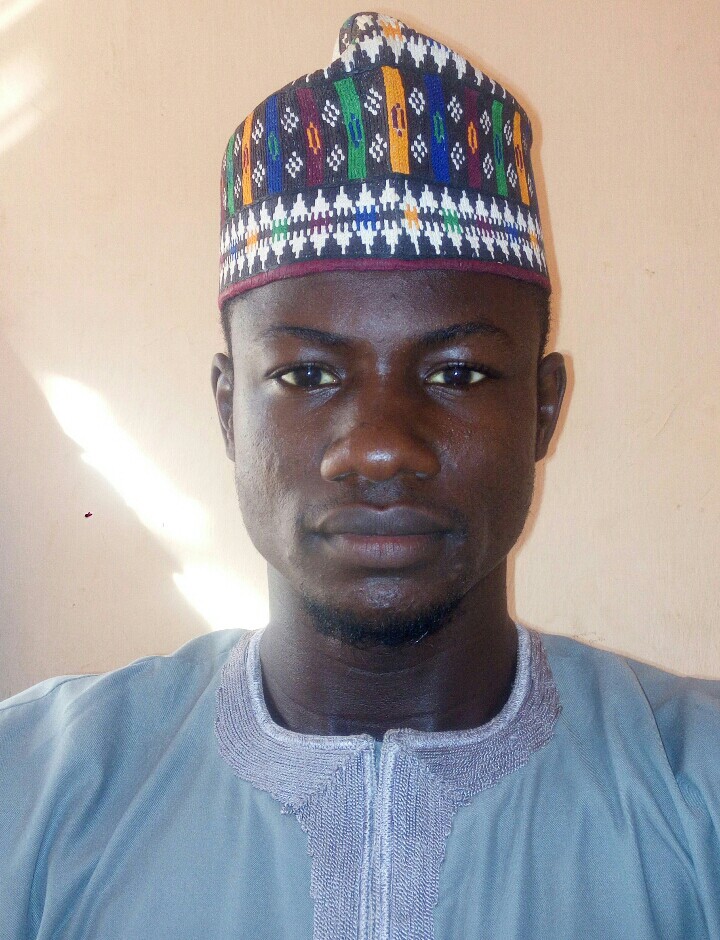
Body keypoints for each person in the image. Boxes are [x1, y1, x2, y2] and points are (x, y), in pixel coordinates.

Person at [1, 11, 718, 939]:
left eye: (459, 374)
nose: (380, 448)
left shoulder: (695, 792)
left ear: (543, 409)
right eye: (307, 375)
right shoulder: (36, 791)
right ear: (228, 410)